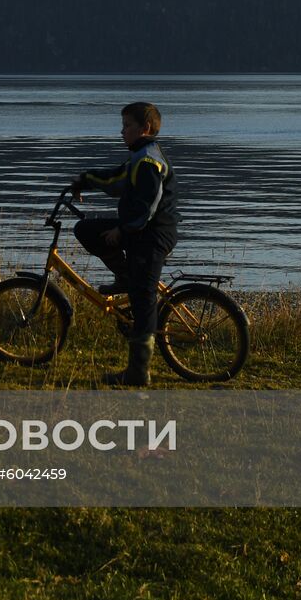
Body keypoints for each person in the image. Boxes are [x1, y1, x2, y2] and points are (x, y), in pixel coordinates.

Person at [71, 102, 178, 387]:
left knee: (144, 299)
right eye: (122, 126)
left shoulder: (148, 161)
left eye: (127, 126)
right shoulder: (138, 157)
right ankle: (125, 275)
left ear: (144, 128)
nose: (122, 131)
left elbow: (149, 206)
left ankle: (138, 372)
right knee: (85, 229)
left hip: (153, 235)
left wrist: (122, 230)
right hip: (138, 231)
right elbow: (115, 178)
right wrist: (82, 181)